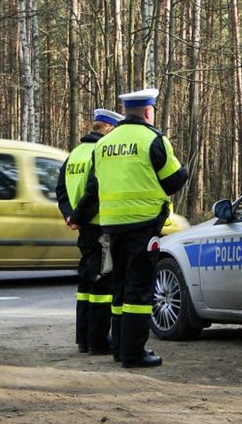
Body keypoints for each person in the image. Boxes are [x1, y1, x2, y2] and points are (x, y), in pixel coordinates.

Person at [69, 88, 188, 368]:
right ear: (148, 112)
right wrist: (184, 172)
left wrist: (77, 215)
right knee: (139, 289)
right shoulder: (153, 140)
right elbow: (172, 181)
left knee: (119, 287)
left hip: (111, 227)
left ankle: (120, 348)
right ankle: (134, 352)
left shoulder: (103, 145)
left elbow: (93, 189)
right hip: (143, 225)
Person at [56, 108, 122, 356]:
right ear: (109, 130)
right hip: (99, 227)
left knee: (85, 284)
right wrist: (80, 215)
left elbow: (61, 189)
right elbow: (95, 190)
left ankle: (83, 339)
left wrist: (70, 216)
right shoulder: (99, 152)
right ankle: (99, 341)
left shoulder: (74, 154)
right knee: (103, 286)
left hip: (83, 228)